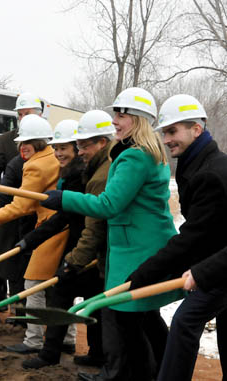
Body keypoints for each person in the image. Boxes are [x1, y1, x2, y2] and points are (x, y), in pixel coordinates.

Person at [41, 88, 184, 381]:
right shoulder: (146, 154)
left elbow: (109, 204)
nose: (115, 120)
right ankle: (164, 372)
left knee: (126, 318)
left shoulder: (135, 157)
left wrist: (64, 198)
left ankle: (145, 374)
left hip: (137, 249)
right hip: (140, 246)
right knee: (144, 317)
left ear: (138, 119)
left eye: (121, 115)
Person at [126, 94, 227, 381]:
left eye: (173, 131)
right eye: (165, 132)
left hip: (220, 267)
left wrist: (146, 273)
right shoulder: (197, 165)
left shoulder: (211, 174)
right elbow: (207, 234)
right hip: (217, 261)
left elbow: (193, 236)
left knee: (185, 320)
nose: (167, 139)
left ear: (196, 129)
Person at [0, 114, 68, 354]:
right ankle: (67, 337)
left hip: (49, 228)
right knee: (57, 287)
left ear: (40, 143)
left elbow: (21, 205)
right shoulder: (53, 159)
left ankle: (33, 340)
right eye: (21, 144)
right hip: (61, 225)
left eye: (27, 143)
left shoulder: (35, 165)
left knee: (33, 282)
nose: (22, 148)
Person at [21, 113, 113, 370]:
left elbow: (81, 218)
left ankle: (52, 353)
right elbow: (65, 217)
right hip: (85, 245)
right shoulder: (77, 172)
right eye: (57, 148)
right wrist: (30, 240)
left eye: (67, 148)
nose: (60, 153)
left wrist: (74, 259)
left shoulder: (87, 175)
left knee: (68, 292)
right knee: (91, 300)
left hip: (90, 248)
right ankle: (94, 354)